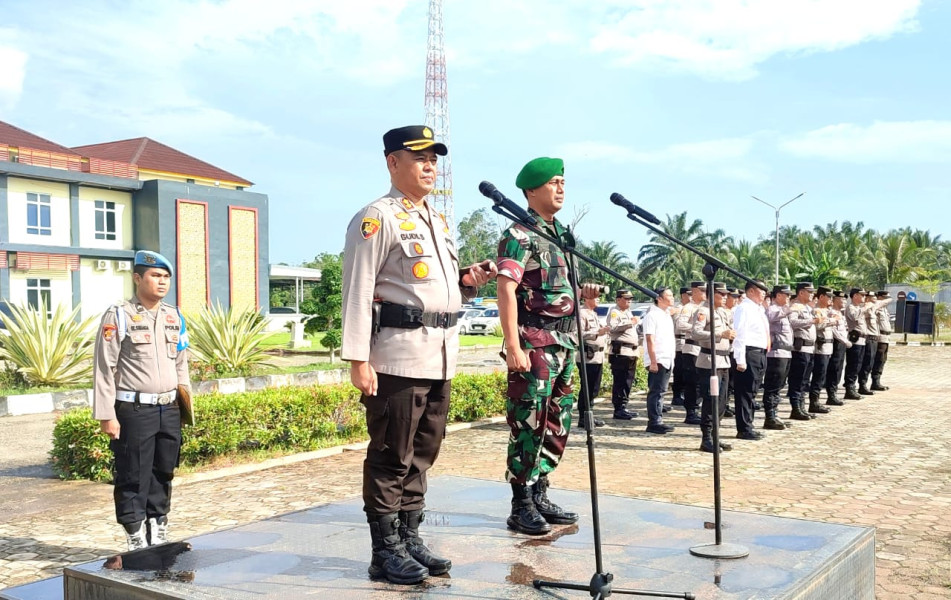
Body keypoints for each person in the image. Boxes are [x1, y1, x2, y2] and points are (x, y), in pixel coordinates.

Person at [341, 125, 497, 584]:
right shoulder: (377, 217)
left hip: (440, 356)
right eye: (420, 157)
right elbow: (358, 288)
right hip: (397, 358)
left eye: (435, 158)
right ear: (393, 162)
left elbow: (433, 288)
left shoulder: (438, 220)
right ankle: (384, 549)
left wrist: (468, 280)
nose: (431, 166)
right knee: (392, 454)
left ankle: (409, 536)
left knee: (423, 453)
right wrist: (357, 359)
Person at [497, 156, 594, 536]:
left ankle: (540, 491)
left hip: (566, 343)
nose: (560, 188)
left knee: (557, 421)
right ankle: (520, 502)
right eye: (553, 182)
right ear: (531, 190)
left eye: (563, 182)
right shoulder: (519, 235)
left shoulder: (563, 236)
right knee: (529, 421)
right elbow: (506, 288)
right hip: (535, 342)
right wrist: (512, 344)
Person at [93, 250, 191, 551]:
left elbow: (181, 363)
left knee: (164, 471)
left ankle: (158, 529)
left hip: (168, 409)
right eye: (155, 276)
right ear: (138, 278)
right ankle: (135, 536)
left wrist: (184, 406)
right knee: (133, 474)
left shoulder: (175, 316)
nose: (162, 282)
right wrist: (106, 414)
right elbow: (103, 367)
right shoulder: (119, 314)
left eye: (166, 277)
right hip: (134, 410)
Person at [692, 282, 736, 452]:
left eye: (726, 294)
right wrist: (720, 334)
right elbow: (696, 333)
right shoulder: (703, 311)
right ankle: (706, 438)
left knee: (722, 401)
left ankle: (716, 436)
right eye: (721, 294)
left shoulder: (723, 312)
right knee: (710, 401)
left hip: (723, 360)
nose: (725, 297)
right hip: (709, 361)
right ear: (711, 294)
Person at [731, 280, 770, 440]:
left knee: (753, 391)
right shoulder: (744, 308)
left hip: (759, 353)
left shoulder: (758, 309)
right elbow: (739, 333)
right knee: (745, 392)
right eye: (761, 291)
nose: (764, 295)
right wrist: (740, 359)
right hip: (748, 352)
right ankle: (744, 428)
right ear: (752, 291)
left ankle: (749, 424)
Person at [787, 282, 826, 418]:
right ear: (801, 292)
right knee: (797, 380)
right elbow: (792, 322)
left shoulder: (807, 308)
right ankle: (796, 408)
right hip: (800, 348)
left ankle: (802, 407)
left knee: (804, 381)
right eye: (809, 292)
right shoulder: (795, 306)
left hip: (810, 348)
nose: (812, 294)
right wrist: (811, 321)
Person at [642, 286, 676, 434]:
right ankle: (654, 422)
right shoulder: (652, 315)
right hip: (658, 358)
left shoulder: (666, 314)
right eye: (669, 295)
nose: (672, 297)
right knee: (656, 391)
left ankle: (658, 419)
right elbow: (650, 339)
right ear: (659, 298)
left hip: (667, 358)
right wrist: (653, 361)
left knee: (661, 391)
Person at [577, 288, 609, 428]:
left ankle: (589, 414)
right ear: (586, 298)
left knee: (594, 388)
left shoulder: (594, 314)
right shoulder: (582, 313)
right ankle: (583, 417)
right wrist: (598, 332)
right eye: (595, 297)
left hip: (597, 356)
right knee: (587, 388)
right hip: (587, 357)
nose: (598, 299)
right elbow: (579, 333)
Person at [764, 284, 795, 428]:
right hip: (776, 353)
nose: (789, 297)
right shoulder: (773, 309)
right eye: (786, 295)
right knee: (772, 385)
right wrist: (789, 309)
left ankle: (775, 414)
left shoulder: (783, 311)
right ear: (778, 295)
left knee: (780, 385)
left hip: (786, 352)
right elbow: (771, 316)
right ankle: (770, 417)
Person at [675, 281, 706, 425]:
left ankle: (697, 408)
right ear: (694, 292)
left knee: (700, 382)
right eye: (702, 291)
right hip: (691, 348)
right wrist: (696, 327)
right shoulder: (689, 307)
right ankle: (691, 412)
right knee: (692, 382)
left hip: (703, 349)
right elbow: (680, 324)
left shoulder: (705, 308)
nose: (705, 293)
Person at [607, 289, 641, 420]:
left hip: (631, 351)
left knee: (628, 380)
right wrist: (630, 323)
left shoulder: (627, 312)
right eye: (626, 299)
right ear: (618, 299)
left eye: (630, 299)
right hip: (620, 352)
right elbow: (613, 328)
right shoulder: (614, 312)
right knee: (620, 380)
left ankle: (624, 406)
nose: (629, 301)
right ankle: (618, 408)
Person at [808, 286, 836, 410]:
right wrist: (831, 321)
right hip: (820, 347)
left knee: (823, 375)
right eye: (828, 296)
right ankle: (814, 402)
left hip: (828, 346)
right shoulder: (817, 310)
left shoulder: (826, 311)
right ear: (821, 297)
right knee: (818, 375)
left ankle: (817, 400)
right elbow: (817, 325)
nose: (830, 299)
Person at [824, 290, 852, 405]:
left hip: (842, 344)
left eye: (845, 299)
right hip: (837, 343)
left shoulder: (840, 313)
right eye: (842, 299)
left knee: (839, 368)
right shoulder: (832, 313)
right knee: (834, 369)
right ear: (835, 300)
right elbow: (834, 330)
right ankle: (831, 394)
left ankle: (834, 393)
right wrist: (844, 340)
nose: (844, 301)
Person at [843, 288, 870, 400]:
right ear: (855, 296)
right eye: (861, 295)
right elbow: (854, 317)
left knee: (859, 364)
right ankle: (849, 388)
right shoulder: (850, 307)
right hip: (855, 339)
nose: (864, 297)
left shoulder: (859, 308)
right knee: (853, 365)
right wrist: (864, 308)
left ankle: (853, 387)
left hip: (863, 339)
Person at [670, 286, 691, 407]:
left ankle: (682, 393)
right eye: (688, 294)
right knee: (679, 370)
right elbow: (679, 325)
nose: (691, 297)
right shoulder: (678, 309)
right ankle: (677, 395)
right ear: (683, 295)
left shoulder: (691, 308)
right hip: (680, 342)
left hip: (688, 342)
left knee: (686, 371)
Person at [870, 290, 893, 390]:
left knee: (883, 359)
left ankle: (878, 380)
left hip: (886, 337)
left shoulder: (884, 310)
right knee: (878, 359)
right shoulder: (877, 309)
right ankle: (875, 381)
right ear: (879, 298)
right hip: (880, 337)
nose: (886, 300)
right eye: (884, 298)